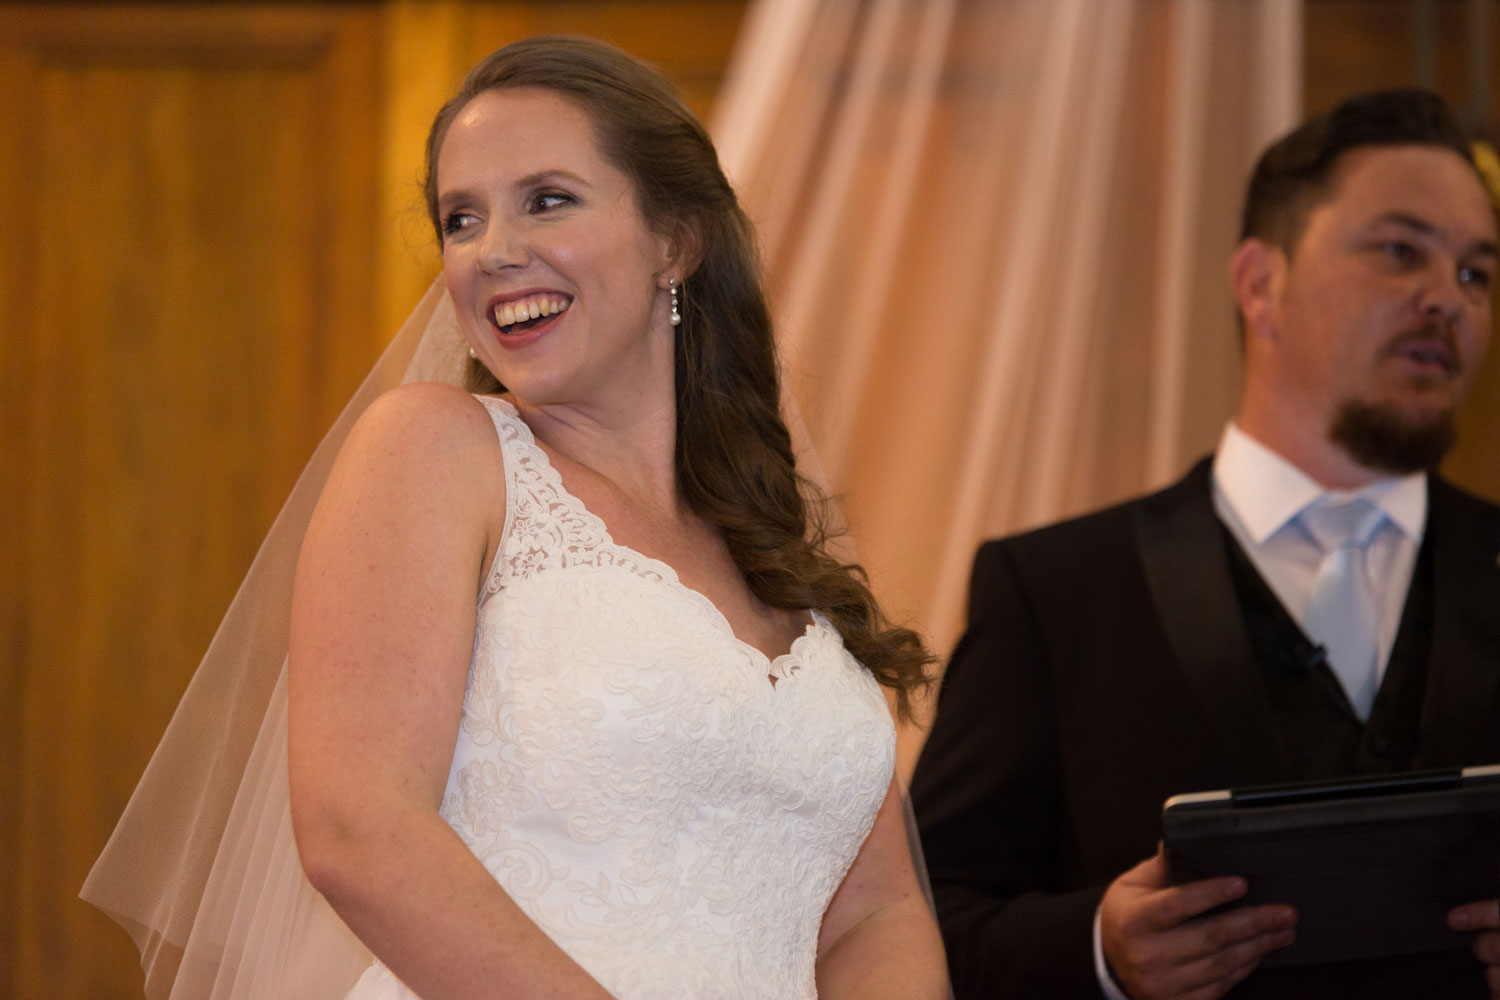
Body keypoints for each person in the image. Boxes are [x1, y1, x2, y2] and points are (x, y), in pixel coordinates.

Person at [83, 36, 949, 1000]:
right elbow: (356, 826)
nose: (492, 252)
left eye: (547, 199)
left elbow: (875, 913)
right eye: (461, 219)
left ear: (677, 240)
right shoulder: (438, 452)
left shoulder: (775, 542)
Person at [910, 88, 1500, 1000]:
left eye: (1477, 273)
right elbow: (920, 922)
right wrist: (1099, 951)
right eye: (1400, 250)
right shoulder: (1054, 592)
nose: (1446, 300)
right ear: (1261, 283)